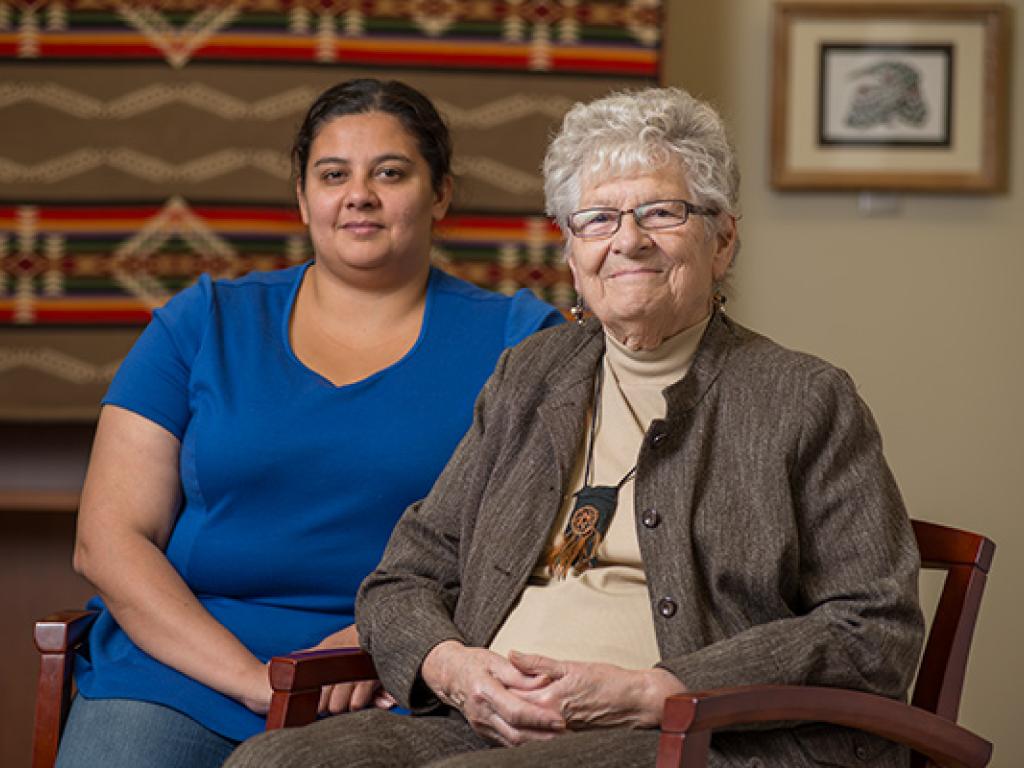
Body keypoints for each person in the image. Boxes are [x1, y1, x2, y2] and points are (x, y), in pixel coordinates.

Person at [226, 86, 924, 768]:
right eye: (597, 220)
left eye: (661, 212)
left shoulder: (803, 399)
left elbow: (875, 632)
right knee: (271, 761)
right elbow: (404, 576)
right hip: (483, 723)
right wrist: (455, 670)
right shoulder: (530, 376)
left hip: (693, 738)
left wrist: (661, 691)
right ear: (571, 253)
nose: (628, 241)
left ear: (723, 241)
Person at [56, 78, 563, 768]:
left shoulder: (522, 340)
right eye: (333, 174)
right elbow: (109, 539)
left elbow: (542, 545)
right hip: (178, 671)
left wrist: (383, 636)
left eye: (391, 172)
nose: (360, 194)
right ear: (303, 198)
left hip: (397, 679)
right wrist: (252, 681)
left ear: (440, 193)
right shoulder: (200, 323)